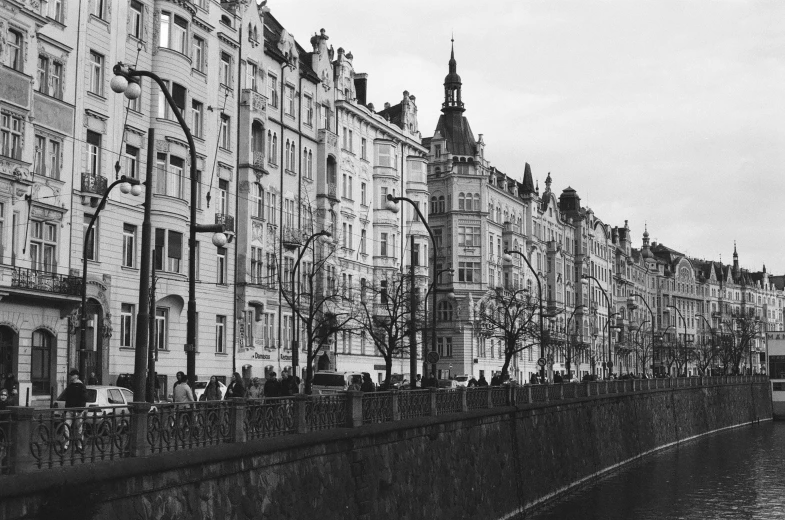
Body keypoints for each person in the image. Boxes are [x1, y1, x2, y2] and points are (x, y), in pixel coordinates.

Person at [63, 369, 88, 452]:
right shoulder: (70, 386)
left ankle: (80, 446)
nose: (70, 376)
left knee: (79, 429)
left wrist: (79, 410)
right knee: (66, 426)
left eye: (72, 375)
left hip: (78, 411)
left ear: (76, 376)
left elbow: (84, 399)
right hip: (70, 410)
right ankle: (65, 446)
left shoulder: (81, 386)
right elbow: (67, 399)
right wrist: (66, 410)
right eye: (70, 375)